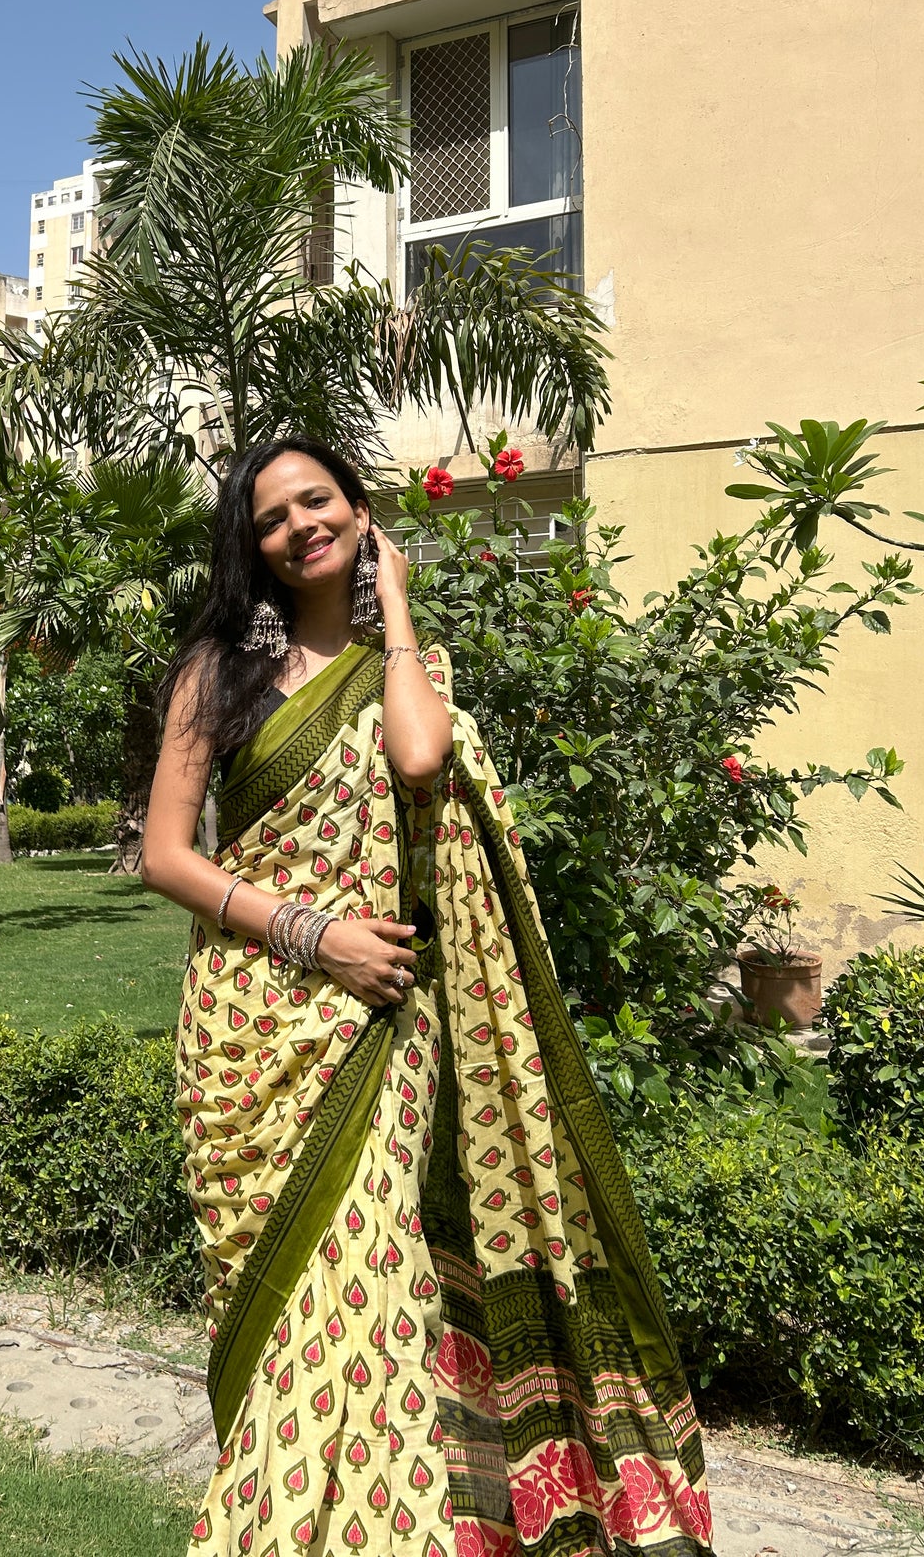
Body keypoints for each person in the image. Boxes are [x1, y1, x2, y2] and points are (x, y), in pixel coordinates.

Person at [143, 438, 714, 1557]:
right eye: (271, 517)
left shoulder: (407, 666)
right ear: (249, 544)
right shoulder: (216, 670)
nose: (300, 525)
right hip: (253, 1022)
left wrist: (390, 606)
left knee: (372, 1292)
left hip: (383, 1024)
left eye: (320, 501)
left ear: (361, 512)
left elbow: (416, 758)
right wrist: (317, 936)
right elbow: (166, 856)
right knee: (286, 1314)